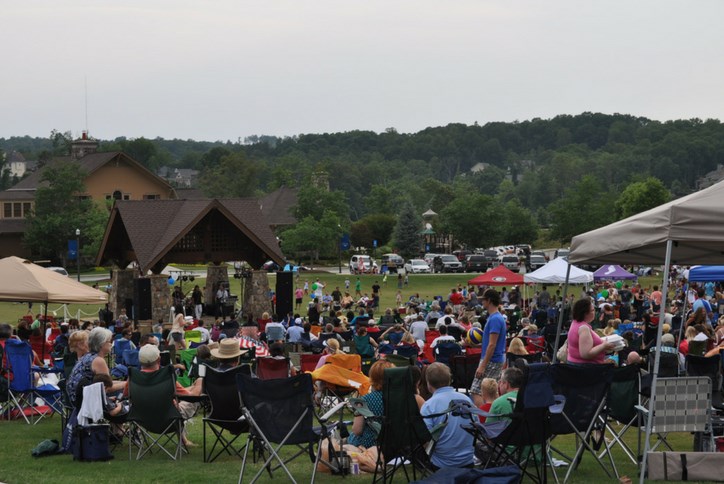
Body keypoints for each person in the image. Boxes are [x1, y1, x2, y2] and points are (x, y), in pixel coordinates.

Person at [421, 362, 474, 469]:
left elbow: (424, 439)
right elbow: (476, 426)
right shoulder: (466, 399)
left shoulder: (429, 406)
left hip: (442, 463)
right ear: (450, 380)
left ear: (428, 384)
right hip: (467, 461)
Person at [66, 327, 125, 409]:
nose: (111, 344)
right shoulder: (98, 361)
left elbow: (106, 383)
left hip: (78, 399)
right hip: (85, 403)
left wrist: (124, 383)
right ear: (101, 344)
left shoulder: (89, 356)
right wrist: (127, 384)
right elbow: (108, 387)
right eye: (109, 341)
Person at [471, 288, 507, 407]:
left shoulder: (495, 319)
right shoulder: (496, 317)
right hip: (495, 359)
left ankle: (484, 417)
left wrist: (482, 365)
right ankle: (495, 413)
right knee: (492, 392)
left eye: (484, 300)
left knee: (476, 391)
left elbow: (492, 345)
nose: (482, 302)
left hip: (491, 360)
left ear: (490, 301)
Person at [349, 360, 395, 449]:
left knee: (350, 438)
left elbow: (357, 430)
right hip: (395, 443)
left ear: (372, 378)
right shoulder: (400, 398)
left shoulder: (364, 400)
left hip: (370, 443)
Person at [567, 298, 616, 365]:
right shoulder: (584, 328)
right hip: (586, 368)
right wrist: (603, 346)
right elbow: (585, 354)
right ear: (585, 313)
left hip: (578, 365)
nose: (594, 312)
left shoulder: (575, 323)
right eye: (592, 310)